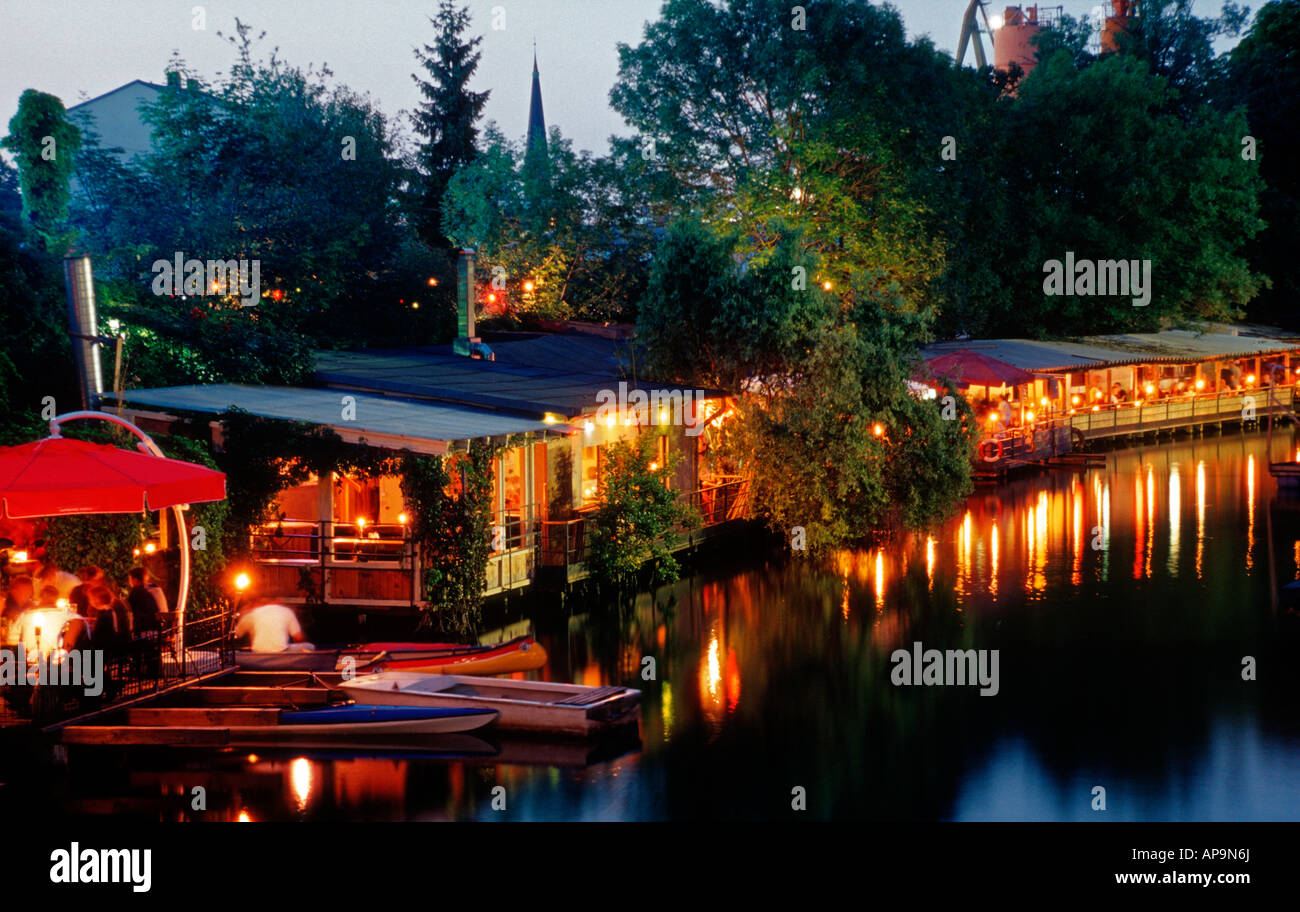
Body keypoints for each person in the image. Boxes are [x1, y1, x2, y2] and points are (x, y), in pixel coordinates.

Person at [232, 598, 311, 654]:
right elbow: (298, 637)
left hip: (258, 652)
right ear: (278, 600)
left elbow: (236, 634)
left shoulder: (253, 613)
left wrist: (242, 614)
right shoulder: (286, 611)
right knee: (309, 646)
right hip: (281, 652)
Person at [126, 568, 162, 634]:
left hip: (144, 632)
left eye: (129, 579)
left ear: (135, 580)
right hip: (158, 630)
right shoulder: (154, 588)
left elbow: (127, 607)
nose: (129, 582)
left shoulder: (136, 591)